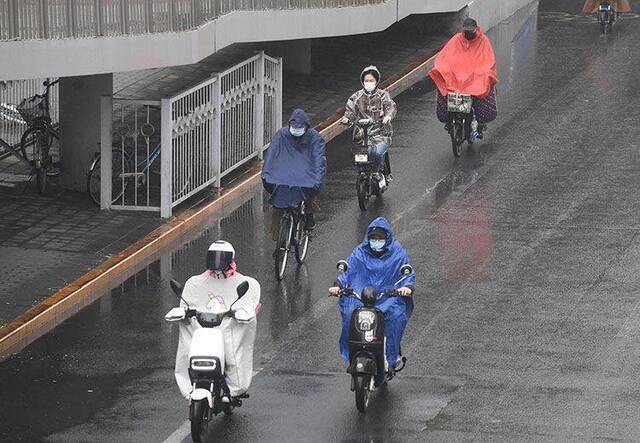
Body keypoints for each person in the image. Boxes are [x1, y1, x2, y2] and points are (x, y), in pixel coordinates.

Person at [174, 241, 261, 402]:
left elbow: (249, 303)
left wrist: (243, 312)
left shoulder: (244, 283)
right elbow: (188, 302)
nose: (217, 262)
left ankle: (234, 385)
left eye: (221, 258)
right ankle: (190, 383)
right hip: (203, 328)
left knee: (233, 348)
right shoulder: (196, 282)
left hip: (227, 327)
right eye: (214, 257)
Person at [329, 217, 416, 369]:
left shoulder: (397, 253)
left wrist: (407, 287)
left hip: (387, 297)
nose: (376, 241)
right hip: (360, 297)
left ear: (387, 238)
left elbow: (406, 274)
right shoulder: (359, 253)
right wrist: (338, 285)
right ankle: (351, 354)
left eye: (380, 238)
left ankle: (391, 358)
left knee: (395, 317)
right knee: (350, 315)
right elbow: (348, 272)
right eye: (373, 238)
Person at [428, 18, 498, 139]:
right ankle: (449, 119)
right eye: (466, 31)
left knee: (485, 80)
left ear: (476, 29)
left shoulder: (483, 41)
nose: (468, 34)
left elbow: (488, 60)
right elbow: (446, 56)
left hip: (475, 74)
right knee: (445, 80)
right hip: (458, 74)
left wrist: (482, 72)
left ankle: (480, 123)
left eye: (471, 31)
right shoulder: (456, 39)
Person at [262, 108, 326, 240]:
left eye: (300, 127)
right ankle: (277, 235)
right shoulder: (281, 135)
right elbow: (272, 156)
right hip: (285, 171)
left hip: (305, 172)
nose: (296, 130)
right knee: (279, 194)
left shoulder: (314, 138)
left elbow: (318, 159)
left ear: (306, 127)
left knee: (308, 192)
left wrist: (316, 178)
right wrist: (267, 173)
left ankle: (309, 215)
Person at [341, 65, 397, 183]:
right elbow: (350, 112)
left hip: (380, 134)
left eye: (371, 80)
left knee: (376, 153)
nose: (369, 83)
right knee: (359, 157)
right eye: (366, 80)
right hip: (361, 136)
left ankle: (376, 172)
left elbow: (390, 106)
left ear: (376, 81)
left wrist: (387, 116)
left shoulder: (383, 95)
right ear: (362, 81)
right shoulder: (356, 97)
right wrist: (346, 118)